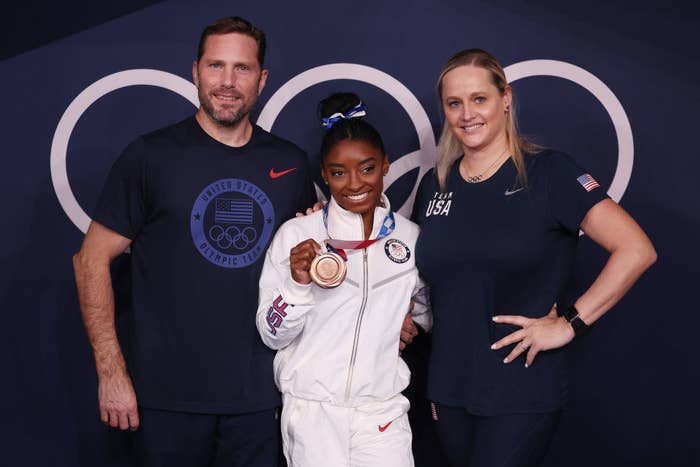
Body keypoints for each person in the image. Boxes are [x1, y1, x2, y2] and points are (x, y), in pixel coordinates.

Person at [72, 16, 315, 467]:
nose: (227, 82)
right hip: (166, 401)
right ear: (195, 71)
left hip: (262, 400)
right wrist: (111, 372)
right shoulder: (151, 155)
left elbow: (312, 271)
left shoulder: (291, 164)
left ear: (261, 79)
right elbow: (90, 261)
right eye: (215, 66)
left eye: (241, 69)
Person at [411, 48, 657, 467]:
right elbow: (415, 275)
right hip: (448, 389)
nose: (467, 114)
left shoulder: (549, 173)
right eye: (454, 103)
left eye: (479, 99)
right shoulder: (438, 184)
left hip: (519, 390)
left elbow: (636, 249)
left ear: (505, 98)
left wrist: (570, 324)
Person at [256, 92, 432, 467]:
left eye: (367, 168)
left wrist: (407, 320)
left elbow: (429, 310)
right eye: (338, 172)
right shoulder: (296, 234)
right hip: (313, 414)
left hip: (381, 412)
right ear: (324, 174)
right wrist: (298, 283)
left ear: (385, 165)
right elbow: (272, 333)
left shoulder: (410, 238)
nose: (354, 183)